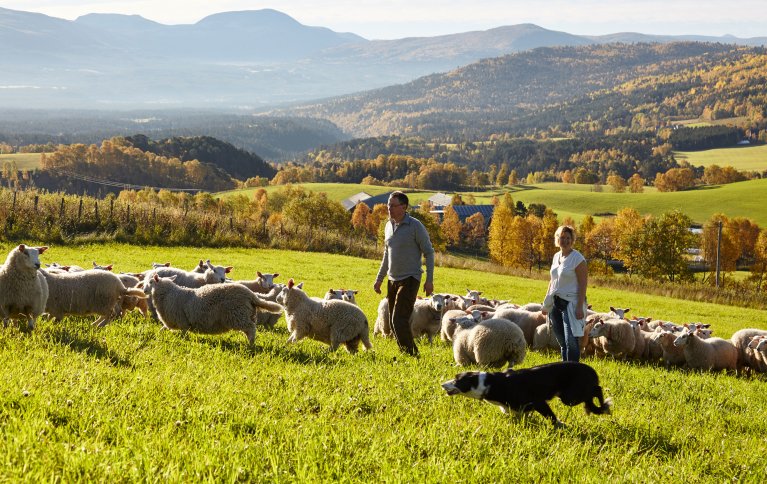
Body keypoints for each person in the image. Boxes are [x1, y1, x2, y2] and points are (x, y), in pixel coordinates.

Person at [373, 191, 435, 356]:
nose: (389, 208)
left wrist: (429, 280)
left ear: (404, 207)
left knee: (398, 319)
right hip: (392, 280)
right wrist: (379, 279)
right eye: (388, 204)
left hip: (410, 279)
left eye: (393, 205)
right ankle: (406, 353)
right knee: (394, 323)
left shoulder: (415, 226)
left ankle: (413, 355)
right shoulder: (388, 226)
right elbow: (387, 254)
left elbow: (429, 252)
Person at [542, 225, 588, 362]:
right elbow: (552, 281)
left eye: (568, 238)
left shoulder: (578, 259)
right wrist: (546, 303)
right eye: (562, 238)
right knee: (562, 342)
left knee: (571, 342)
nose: (565, 241)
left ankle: (573, 375)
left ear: (572, 240)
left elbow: (583, 284)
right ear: (557, 239)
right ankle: (564, 371)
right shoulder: (556, 256)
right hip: (556, 303)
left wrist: (579, 306)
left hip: (571, 304)